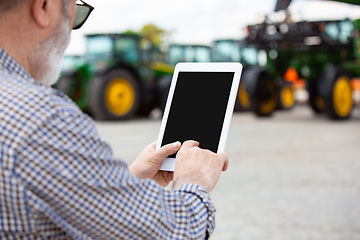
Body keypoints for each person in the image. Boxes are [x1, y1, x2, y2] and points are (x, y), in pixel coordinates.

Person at [0, 0, 229, 239]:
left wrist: (126, 182)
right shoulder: (43, 118)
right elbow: (174, 233)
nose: (70, 32)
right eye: (75, 15)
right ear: (44, 7)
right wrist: (194, 181)